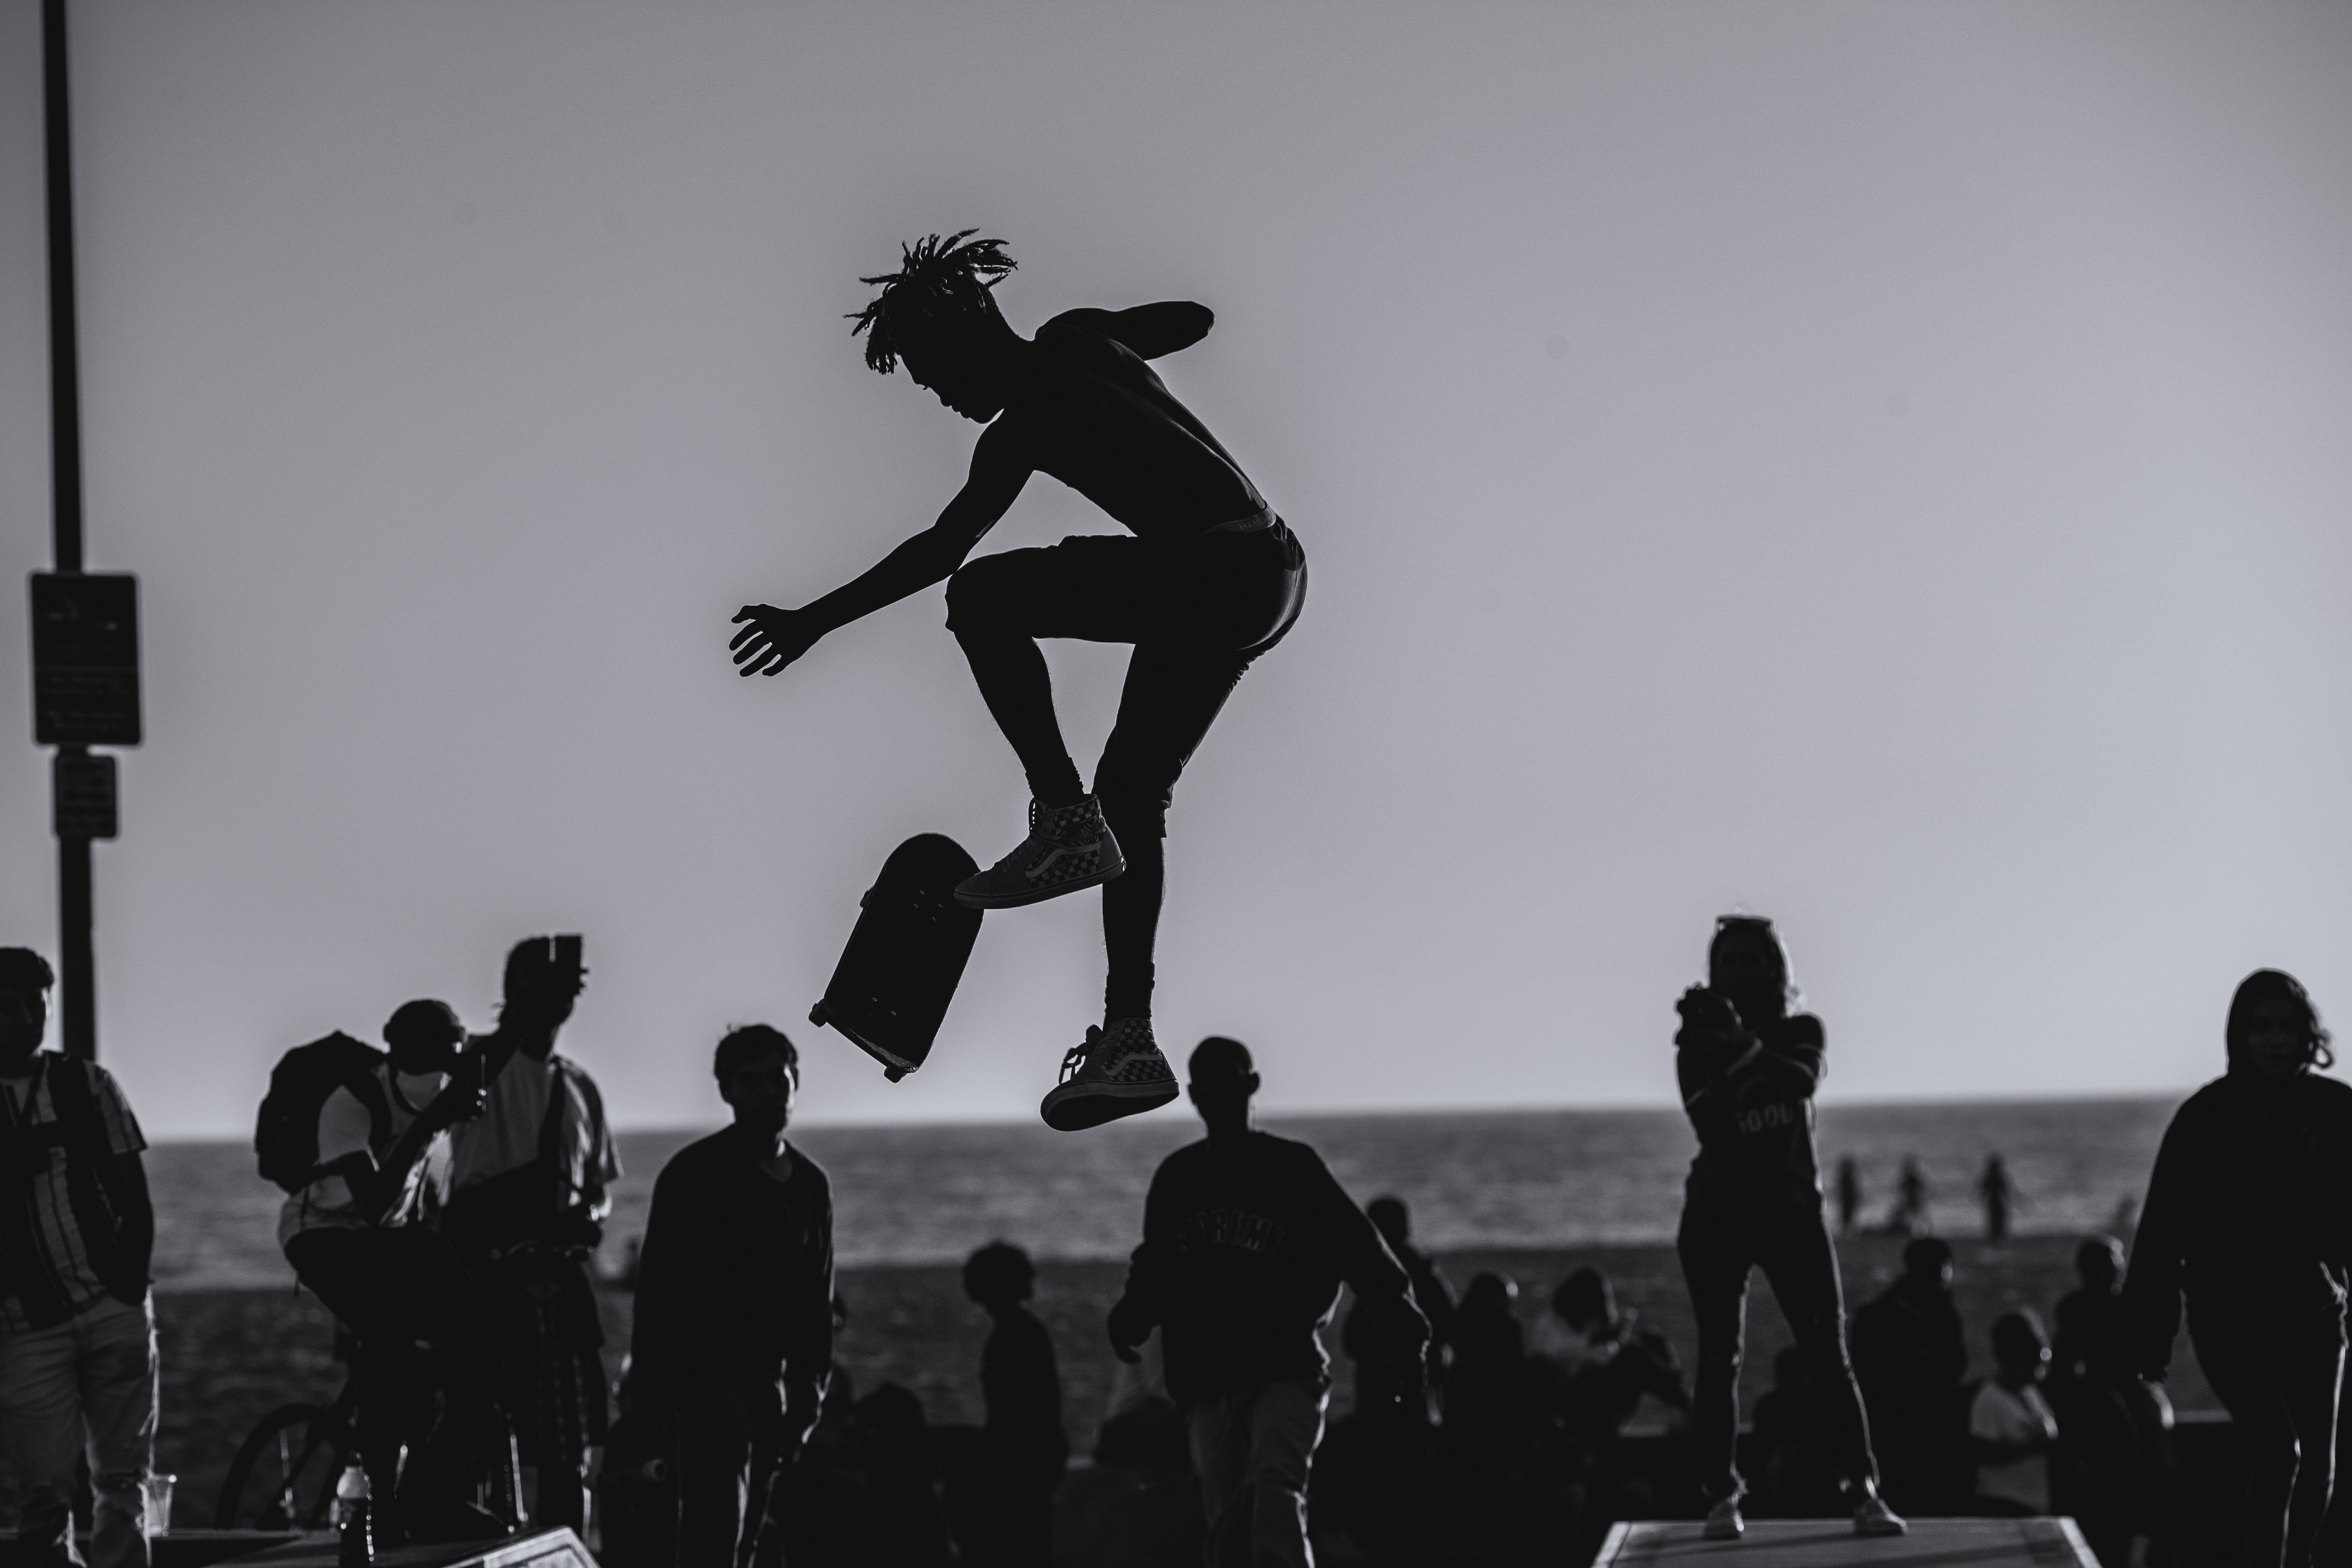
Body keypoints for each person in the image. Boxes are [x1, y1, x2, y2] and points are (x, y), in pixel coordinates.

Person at [728, 234, 1308, 1133]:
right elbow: (1193, 319)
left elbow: (940, 551)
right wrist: (1128, 337)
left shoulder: (1024, 420)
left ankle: (1061, 812)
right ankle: (1129, 1038)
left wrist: (812, 622)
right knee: (1135, 798)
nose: (944, 399)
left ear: (968, 335)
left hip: (1209, 571)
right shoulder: (1078, 341)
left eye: (935, 374)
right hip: (1269, 575)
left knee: (983, 594)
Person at [1105, 1037, 1426, 1568]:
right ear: (1194, 1095)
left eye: (1228, 1080)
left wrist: (1405, 1333)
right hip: (1207, 1375)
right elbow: (1156, 1266)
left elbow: (1361, 1252)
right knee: (1227, 1515)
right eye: (1206, 1084)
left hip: (1287, 1368)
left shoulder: (1294, 1170)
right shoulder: (1178, 1179)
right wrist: (1132, 1315)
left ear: (1251, 1086)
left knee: (1276, 1486)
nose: (1217, 1094)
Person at [1672, 914, 1903, 1540]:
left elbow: (1800, 1079)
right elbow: (1710, 1125)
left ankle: (1864, 1490)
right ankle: (1721, 1496)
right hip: (1716, 1214)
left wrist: (1742, 1048)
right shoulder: (1694, 1042)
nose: (1741, 972)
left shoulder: (1803, 1029)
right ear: (1713, 972)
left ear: (1776, 971)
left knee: (1828, 1352)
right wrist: (1723, 1048)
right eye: (1730, 962)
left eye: (1754, 961)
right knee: (1720, 1357)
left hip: (1792, 1212)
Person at [2120, 969, 2352, 1568]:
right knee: (2281, 1455)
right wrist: (2149, 1334)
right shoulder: (2205, 1117)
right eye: (2261, 1028)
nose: (2275, 1040)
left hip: (2314, 1311)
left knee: (2320, 1462)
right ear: (2240, 1035)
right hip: (2229, 1320)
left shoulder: (2337, 1108)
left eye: (2287, 1027)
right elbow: (2161, 1231)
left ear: (2307, 1033)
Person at [276, 997, 499, 1543]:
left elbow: (421, 1203)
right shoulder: (352, 1101)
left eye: (451, 1051)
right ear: (394, 1045)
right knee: (390, 1337)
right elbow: (374, 1203)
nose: (441, 1065)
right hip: (323, 1234)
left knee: (487, 1340)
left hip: (390, 1239)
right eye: (426, 1050)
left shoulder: (447, 1097)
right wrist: (432, 1123)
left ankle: (434, 1494)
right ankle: (377, 1505)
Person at [630, 1025, 834, 1568]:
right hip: (706, 1383)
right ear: (727, 1091)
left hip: (777, 1385)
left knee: (749, 1535)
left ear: (796, 1082)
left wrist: (812, 1383)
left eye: (778, 1078)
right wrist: (650, 1394)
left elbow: (818, 1296)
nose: (769, 1091)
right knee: (713, 1529)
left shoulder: (811, 1185)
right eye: (752, 1082)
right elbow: (657, 1294)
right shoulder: (695, 1175)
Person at [443, 937, 620, 1535]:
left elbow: (599, 1182)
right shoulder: (478, 1066)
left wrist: (591, 1217)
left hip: (557, 1276)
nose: (559, 999)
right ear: (512, 992)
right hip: (485, 1273)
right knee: (477, 1440)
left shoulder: (579, 1087)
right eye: (542, 985)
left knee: (566, 1453)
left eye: (568, 986)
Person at [0, 949, 157, 1568]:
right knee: (43, 1492)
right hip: (24, 1324)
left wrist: (129, 1286)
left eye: (36, 1006)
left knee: (123, 1478)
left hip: (111, 1307)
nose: (27, 1020)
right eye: (10, 1008)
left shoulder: (86, 1084)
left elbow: (134, 1197)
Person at [957, 1242, 1066, 1567]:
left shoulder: (1014, 1335)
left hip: (1021, 1461)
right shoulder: (1022, 1330)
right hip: (1032, 1457)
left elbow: (1016, 1413)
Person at [1850, 1237, 1969, 1515]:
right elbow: (1955, 1368)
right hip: (1924, 1432)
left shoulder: (1874, 1316)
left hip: (1888, 1431)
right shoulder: (1942, 1315)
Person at [1341, 1197, 1452, 1420]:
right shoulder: (1424, 1272)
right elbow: (1447, 1321)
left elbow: (1352, 1341)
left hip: (1375, 1381)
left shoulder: (1372, 1274)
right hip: (1418, 1380)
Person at [1968, 1311, 2058, 1517]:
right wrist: (2036, 1446)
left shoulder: (2031, 1393)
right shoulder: (1989, 1399)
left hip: (2035, 1504)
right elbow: (1984, 1452)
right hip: (2000, 1505)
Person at [1977, 1155, 2018, 1245]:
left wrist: (1982, 1200)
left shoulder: (1988, 1178)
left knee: (1994, 1222)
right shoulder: (1998, 1178)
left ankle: (1995, 1240)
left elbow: (1982, 1192)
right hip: (1998, 1204)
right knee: (1998, 1222)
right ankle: (1998, 1240)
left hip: (1992, 1204)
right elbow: (2006, 1192)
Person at [1834, 1156, 1862, 1237]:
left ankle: (1847, 1233)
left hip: (1848, 1200)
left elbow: (1842, 1191)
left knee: (1847, 1217)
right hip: (1848, 1200)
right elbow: (1848, 1191)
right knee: (1847, 1217)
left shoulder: (1845, 1178)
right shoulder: (1847, 1178)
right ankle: (1848, 1233)